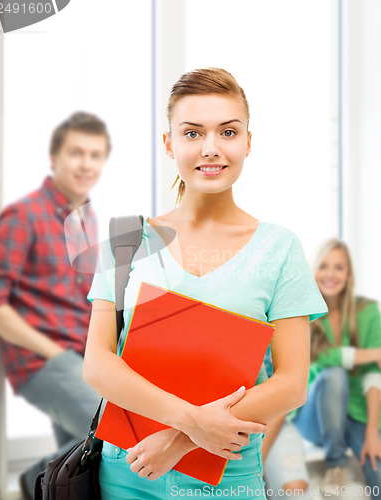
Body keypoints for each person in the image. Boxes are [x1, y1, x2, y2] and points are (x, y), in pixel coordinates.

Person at [84, 68, 327, 500]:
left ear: (248, 142)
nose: (210, 149)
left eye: (228, 132)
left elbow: (291, 383)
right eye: (192, 133)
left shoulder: (280, 248)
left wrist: (178, 441)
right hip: (128, 468)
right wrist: (190, 421)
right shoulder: (126, 241)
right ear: (169, 143)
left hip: (226, 478)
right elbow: (98, 363)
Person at [0, 111, 111, 499]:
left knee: (83, 465)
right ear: (54, 158)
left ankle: (43, 485)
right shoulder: (22, 216)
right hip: (44, 360)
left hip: (83, 355)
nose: (86, 164)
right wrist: (58, 353)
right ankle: (33, 483)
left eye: (95, 155)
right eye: (76, 153)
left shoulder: (86, 220)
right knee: (114, 429)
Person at [293, 238, 381, 498]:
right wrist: (374, 353)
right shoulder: (301, 312)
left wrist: (371, 433)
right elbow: (323, 358)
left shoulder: (367, 311)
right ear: (313, 270)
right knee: (334, 376)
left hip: (353, 412)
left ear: (348, 274)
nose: (331, 274)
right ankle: (336, 463)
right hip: (312, 416)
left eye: (339, 267)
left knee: (376, 465)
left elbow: (373, 375)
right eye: (324, 266)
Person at [262, 347, 311, 499]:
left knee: (295, 489)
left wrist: (258, 457)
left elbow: (286, 394)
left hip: (273, 419)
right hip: (208, 426)